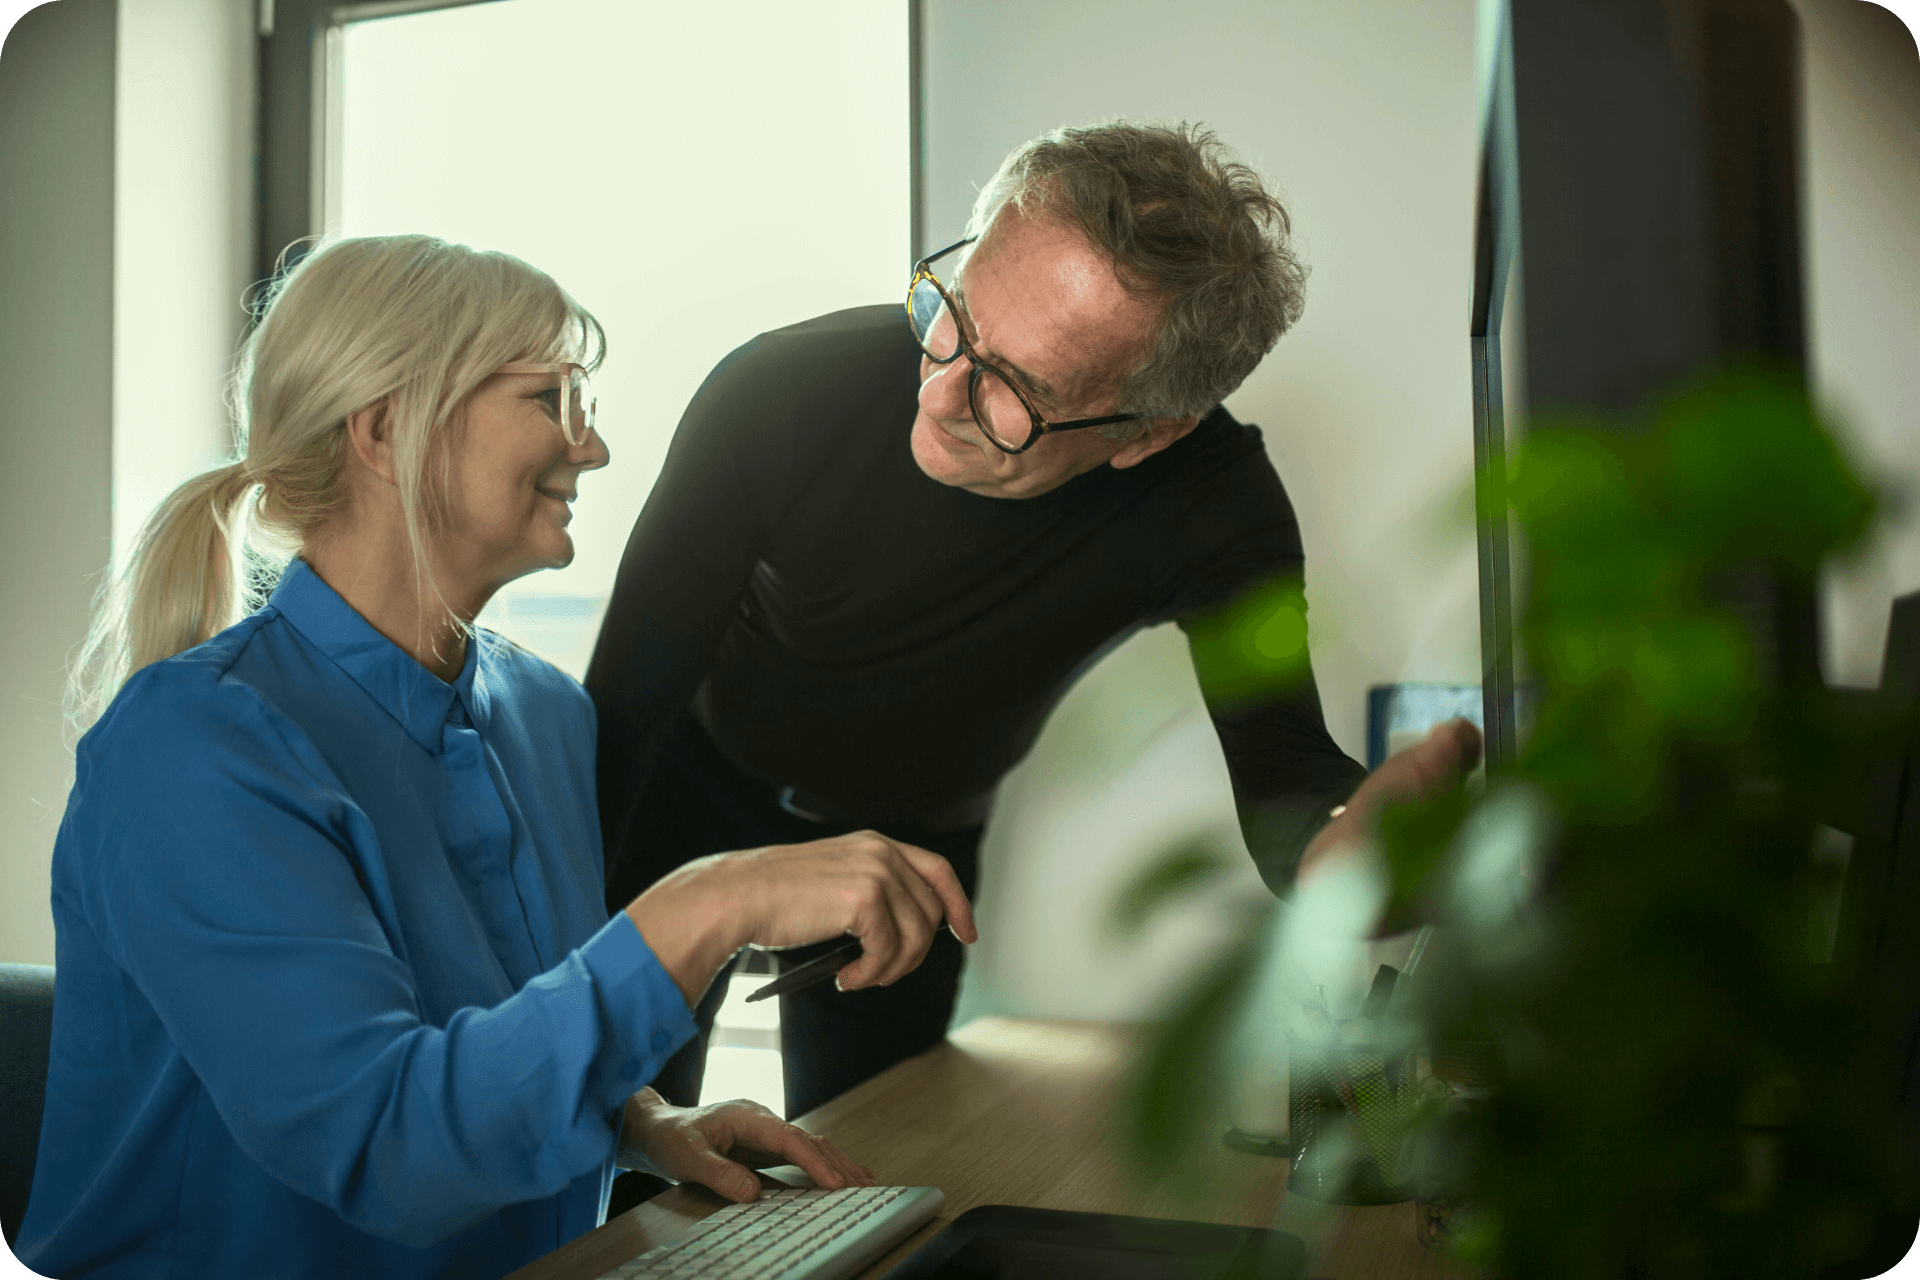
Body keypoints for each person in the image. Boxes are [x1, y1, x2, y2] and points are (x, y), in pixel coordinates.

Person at [13, 236, 975, 1280]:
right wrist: (713, 901)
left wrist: (640, 1116)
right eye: (552, 397)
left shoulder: (544, 711)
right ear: (386, 429)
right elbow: (387, 1144)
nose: (592, 446)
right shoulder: (191, 748)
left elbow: (484, 1034)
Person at [584, 120, 1480, 1122]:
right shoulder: (779, 394)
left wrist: (1348, 862)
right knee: (618, 1153)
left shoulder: (1215, 506)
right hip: (677, 802)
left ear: (1150, 432)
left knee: (873, 1173)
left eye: (1017, 388)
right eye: (954, 315)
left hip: (913, 853)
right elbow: (617, 713)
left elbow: (1288, 776)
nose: (941, 388)